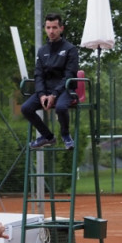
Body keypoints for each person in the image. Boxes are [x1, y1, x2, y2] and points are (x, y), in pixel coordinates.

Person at [20, 12, 79, 151]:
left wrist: (54, 95)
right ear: (45, 29)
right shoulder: (42, 51)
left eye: (54, 27)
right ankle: (47, 137)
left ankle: (66, 136)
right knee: (26, 108)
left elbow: (69, 75)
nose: (51, 31)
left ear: (61, 29)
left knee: (61, 107)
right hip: (45, 90)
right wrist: (41, 95)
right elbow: (38, 75)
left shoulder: (71, 49)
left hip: (65, 88)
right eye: (48, 28)